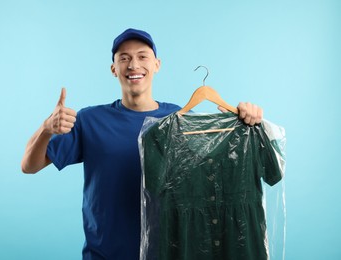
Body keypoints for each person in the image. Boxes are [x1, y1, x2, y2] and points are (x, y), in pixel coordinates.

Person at [21, 28, 263, 259]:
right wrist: (46, 128)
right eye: (124, 58)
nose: (133, 65)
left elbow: (217, 176)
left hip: (169, 253)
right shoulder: (89, 120)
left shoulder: (180, 121)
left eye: (142, 56)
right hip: (104, 254)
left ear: (156, 65)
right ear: (113, 69)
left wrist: (245, 122)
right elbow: (29, 166)